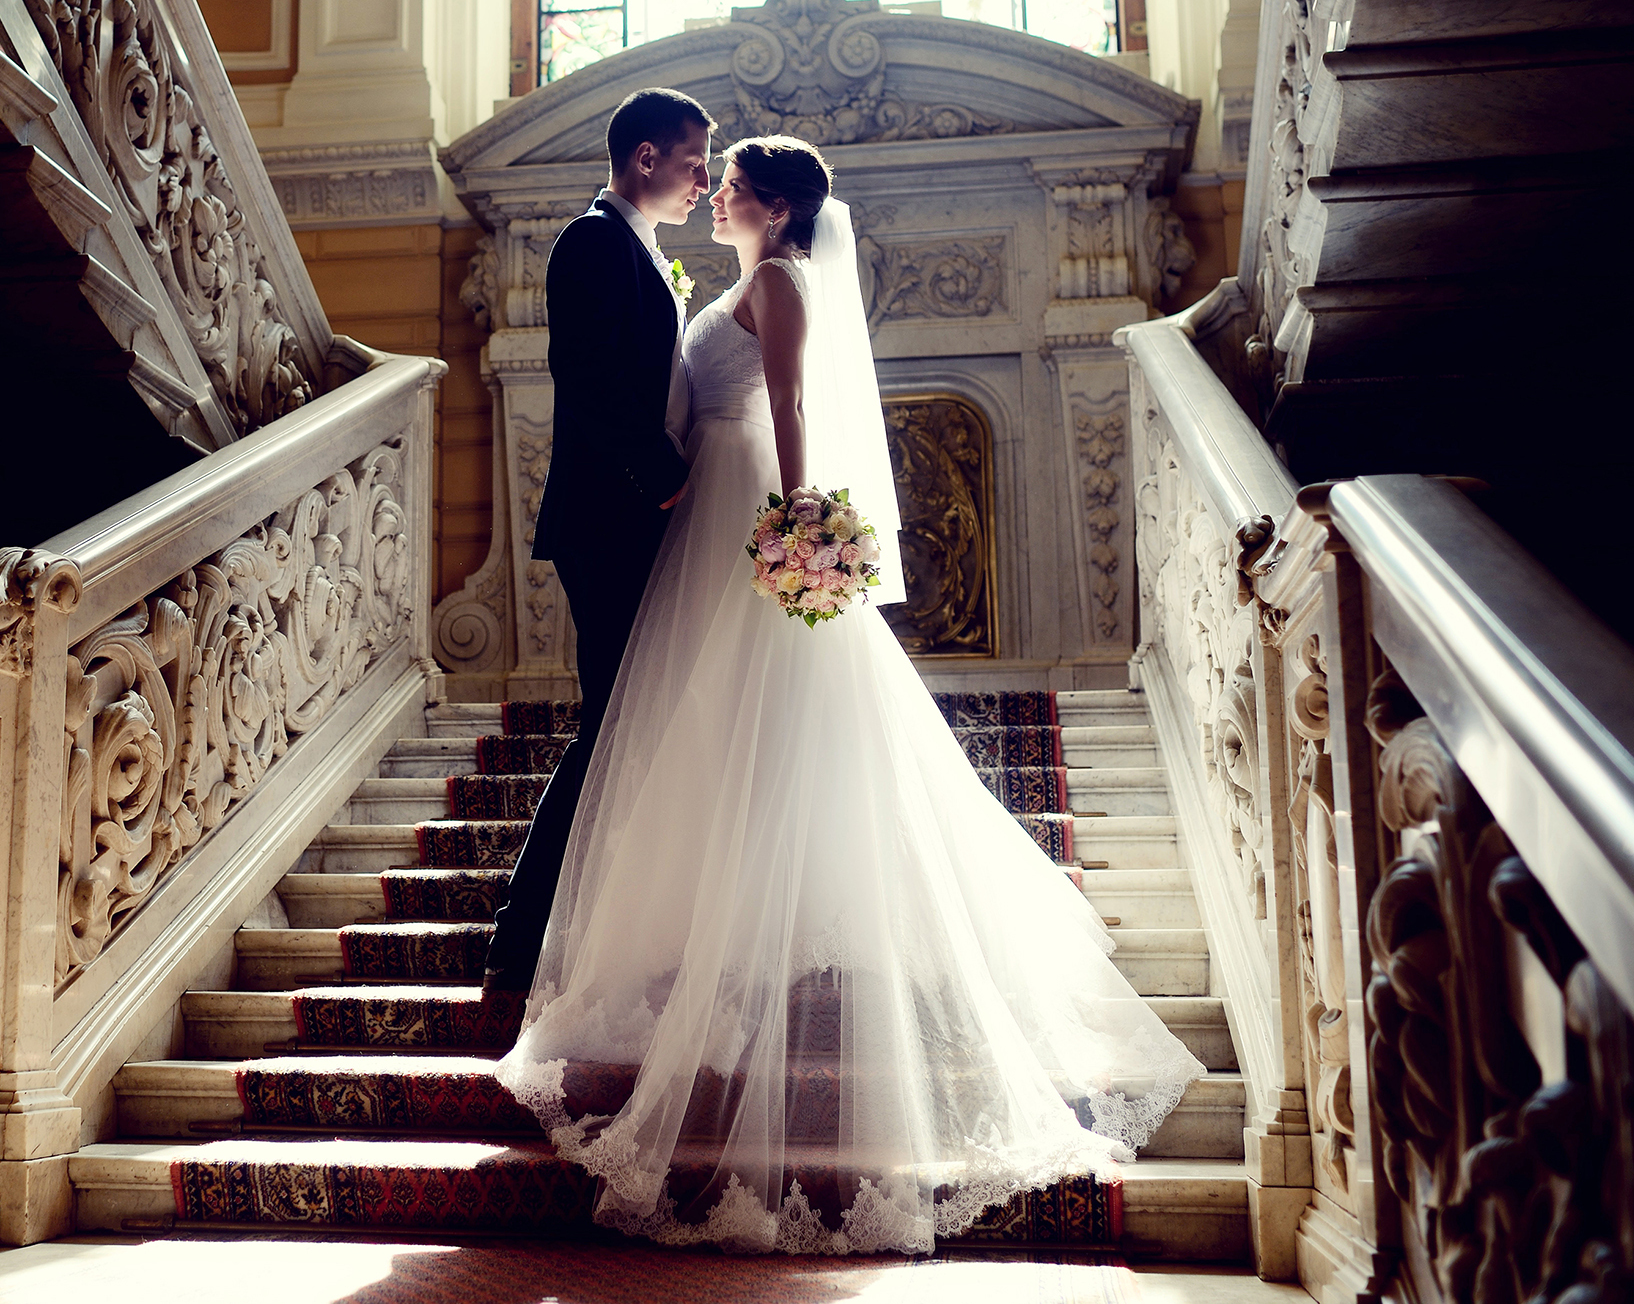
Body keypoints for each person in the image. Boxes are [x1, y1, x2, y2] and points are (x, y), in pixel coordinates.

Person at [496, 133, 1204, 1254]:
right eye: (708, 176)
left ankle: (763, 915)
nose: (713, 191)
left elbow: (791, 407)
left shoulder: (779, 281)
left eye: (728, 184)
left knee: (761, 696)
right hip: (710, 505)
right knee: (707, 709)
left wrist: (797, 522)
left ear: (773, 209)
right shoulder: (741, 275)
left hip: (748, 496)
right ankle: (715, 904)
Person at [481, 88, 712, 994]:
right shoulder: (591, 240)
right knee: (612, 724)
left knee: (623, 723)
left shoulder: (641, 247)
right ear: (645, 158)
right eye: (693, 160)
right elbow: (584, 380)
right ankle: (520, 931)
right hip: (611, 516)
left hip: (630, 515)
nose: (702, 179)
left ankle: (570, 924)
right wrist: (663, 477)